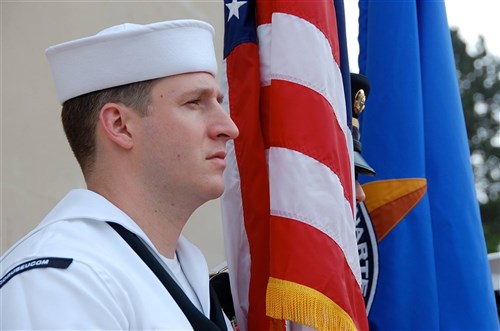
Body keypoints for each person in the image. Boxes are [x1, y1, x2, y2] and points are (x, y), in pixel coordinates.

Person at [0, 19, 239, 330]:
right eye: (194, 102)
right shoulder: (63, 279)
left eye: (217, 103)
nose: (228, 128)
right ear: (119, 126)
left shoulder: (183, 268)